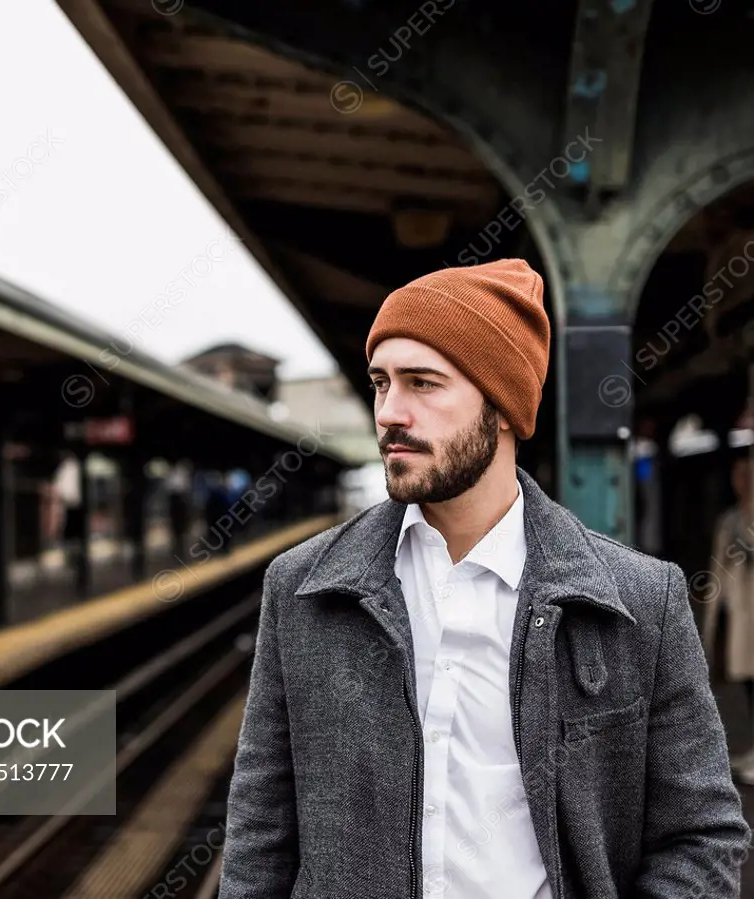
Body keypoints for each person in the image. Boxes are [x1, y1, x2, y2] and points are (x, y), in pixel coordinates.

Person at [218, 259, 750, 899]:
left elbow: (701, 836)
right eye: (382, 382)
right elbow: (259, 838)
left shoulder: (640, 600)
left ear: (501, 406)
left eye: (423, 383)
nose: (390, 412)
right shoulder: (303, 589)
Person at [703, 453, 754, 781]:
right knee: (747, 684)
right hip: (741, 614)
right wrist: (710, 617)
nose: (741, 482)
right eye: (737, 476)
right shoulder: (729, 519)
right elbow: (717, 570)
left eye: (746, 475)